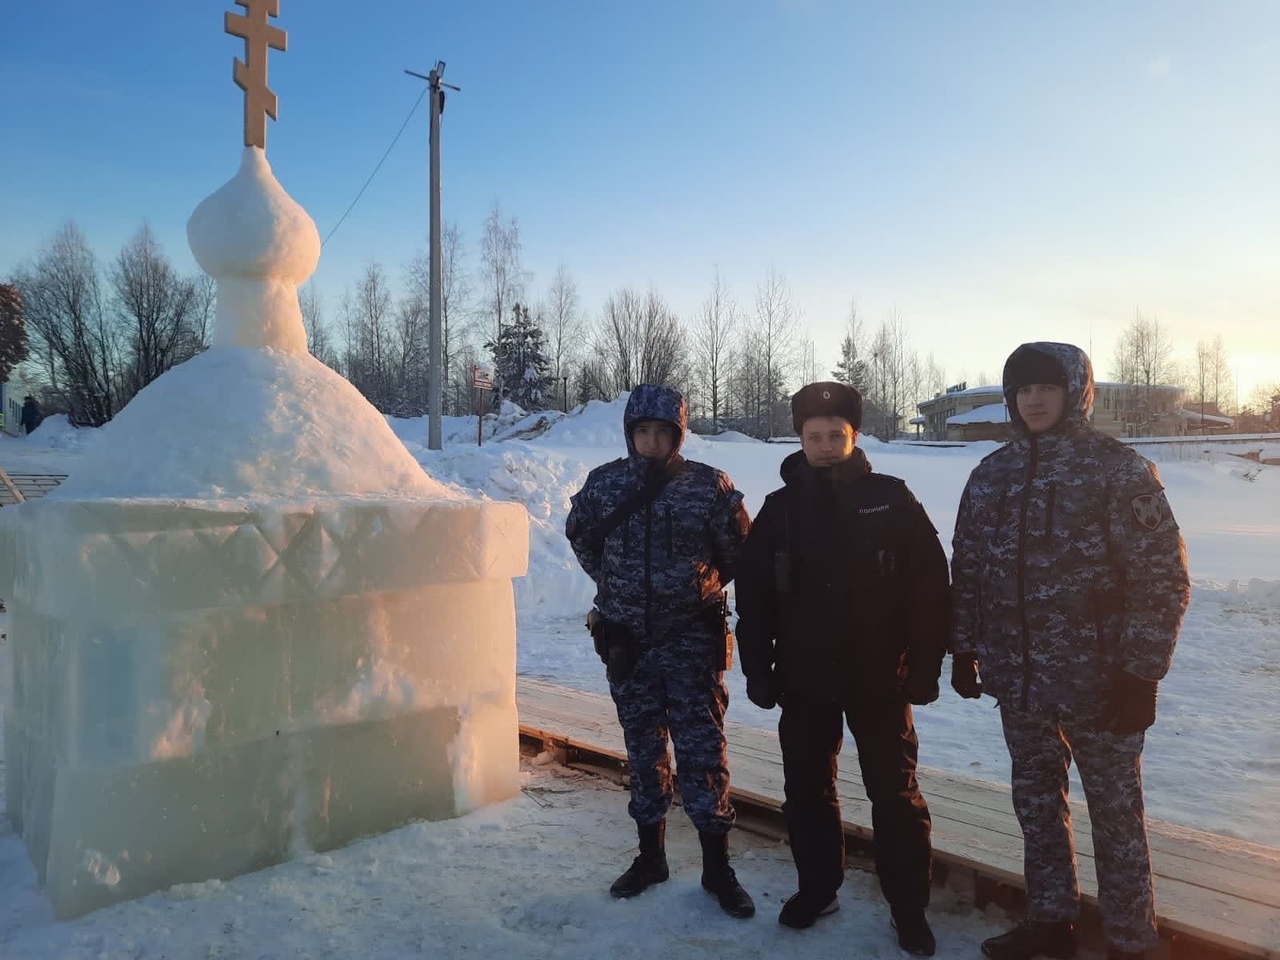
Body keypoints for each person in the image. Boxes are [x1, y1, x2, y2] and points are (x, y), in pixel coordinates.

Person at [950, 342, 1190, 960]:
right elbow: (969, 569)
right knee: (1035, 802)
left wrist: (1141, 674)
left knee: (1115, 814)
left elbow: (1161, 579)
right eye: (1023, 389)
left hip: (1101, 682)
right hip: (1019, 680)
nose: (1033, 400)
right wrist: (965, 648)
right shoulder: (991, 475)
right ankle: (1051, 922)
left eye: (1046, 388)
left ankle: (1132, 938)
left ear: (1076, 393)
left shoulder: (1117, 470)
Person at [734, 381, 951, 956]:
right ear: (800, 439)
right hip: (804, 680)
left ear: (854, 437)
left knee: (896, 794)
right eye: (814, 436)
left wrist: (926, 665)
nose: (826, 445)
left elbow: (931, 586)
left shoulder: (891, 498)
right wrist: (758, 668)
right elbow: (754, 597)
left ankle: (908, 908)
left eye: (837, 435)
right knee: (806, 791)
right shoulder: (779, 511)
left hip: (882, 679)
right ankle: (818, 888)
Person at [564, 383, 756, 918]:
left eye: (662, 432)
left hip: (691, 641)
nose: (651, 441)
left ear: (679, 433)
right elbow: (581, 535)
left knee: (703, 752)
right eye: (642, 431)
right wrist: (616, 585)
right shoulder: (604, 484)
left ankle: (718, 868)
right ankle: (652, 857)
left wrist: (692, 587)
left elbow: (740, 552)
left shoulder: (709, 487)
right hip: (628, 644)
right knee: (644, 750)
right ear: (630, 434)